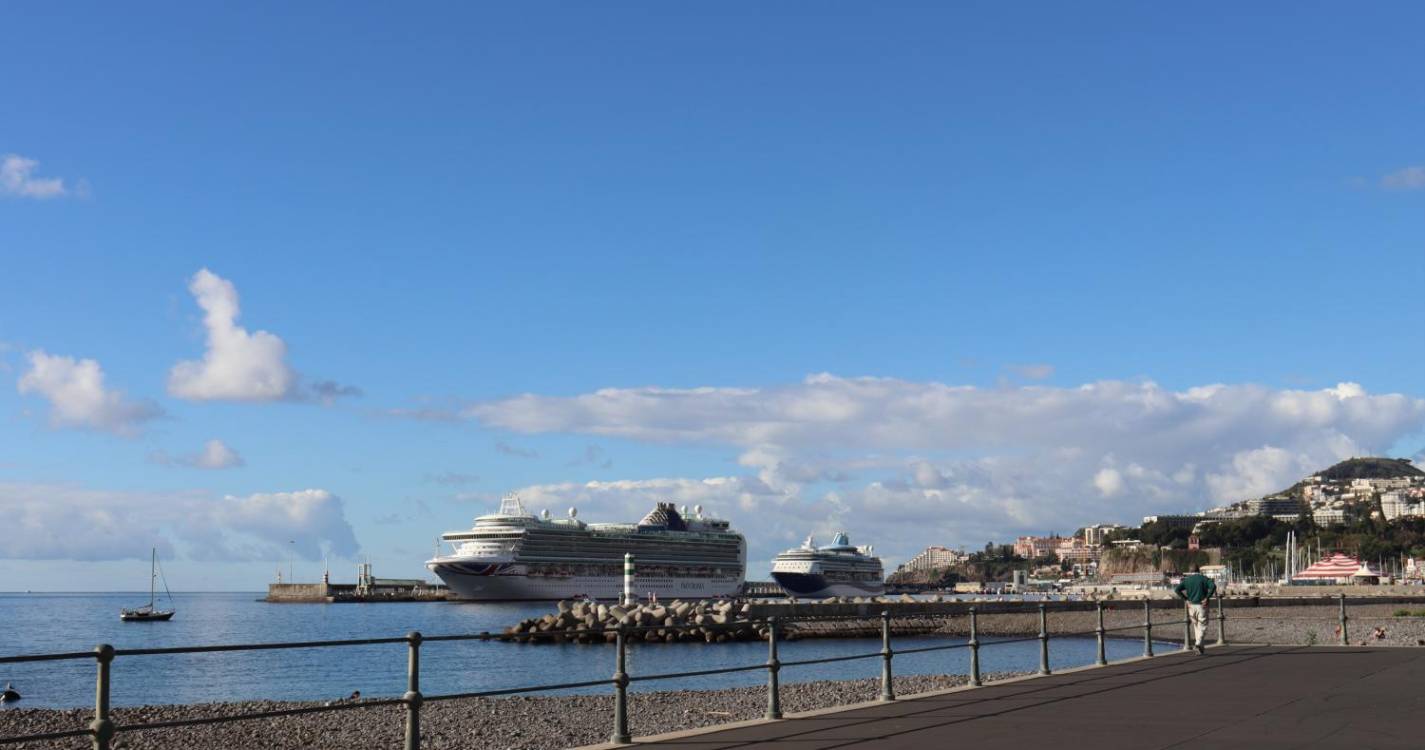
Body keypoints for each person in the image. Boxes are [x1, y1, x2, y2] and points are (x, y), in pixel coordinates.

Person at [1173, 565, 1217, 655]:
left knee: (1196, 626)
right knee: (1203, 625)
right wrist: (1207, 597)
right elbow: (1213, 586)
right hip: (1201, 605)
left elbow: (1177, 589)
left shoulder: (1187, 580)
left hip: (1191, 606)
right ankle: (1198, 644)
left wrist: (1185, 599)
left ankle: (1200, 648)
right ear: (1198, 570)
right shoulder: (1204, 579)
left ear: (1190, 571)